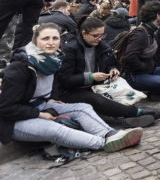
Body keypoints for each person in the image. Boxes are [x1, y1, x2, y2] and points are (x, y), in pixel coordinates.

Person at [0, 23, 143, 151]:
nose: (51, 43)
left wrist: (52, 98)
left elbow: (54, 81)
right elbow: (6, 108)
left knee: (83, 108)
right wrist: (39, 114)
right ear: (35, 41)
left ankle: (111, 134)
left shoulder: (54, 60)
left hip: (40, 106)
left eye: (55, 38)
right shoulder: (20, 67)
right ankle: (103, 143)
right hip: (14, 120)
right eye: (45, 39)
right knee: (55, 130)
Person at [57, 17, 160, 128]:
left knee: (118, 91)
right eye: (96, 35)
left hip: (92, 85)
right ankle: (135, 113)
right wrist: (91, 77)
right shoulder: (70, 48)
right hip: (69, 91)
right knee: (96, 99)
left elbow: (112, 63)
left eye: (102, 35)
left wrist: (113, 70)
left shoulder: (101, 46)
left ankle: (125, 114)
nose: (99, 38)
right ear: (84, 33)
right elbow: (65, 80)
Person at [122, 1, 160, 102]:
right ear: (157, 15)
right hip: (134, 76)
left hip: (147, 71)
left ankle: (157, 92)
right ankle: (157, 91)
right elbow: (129, 57)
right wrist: (143, 67)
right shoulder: (140, 34)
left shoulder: (150, 31)